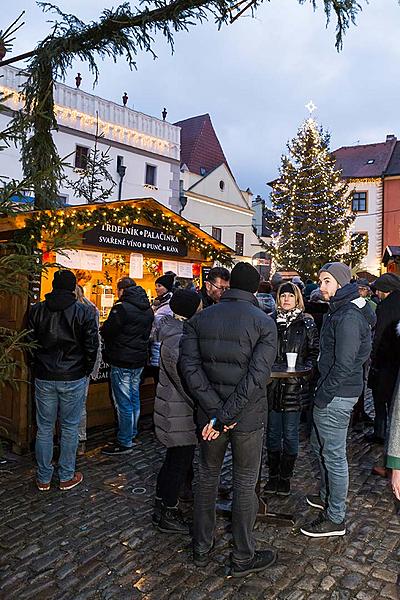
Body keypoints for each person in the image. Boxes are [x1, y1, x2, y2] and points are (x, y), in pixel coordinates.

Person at [180, 262, 278, 577]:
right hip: (243, 418)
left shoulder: (199, 320)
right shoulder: (264, 323)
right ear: (254, 289)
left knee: (207, 478)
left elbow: (190, 371)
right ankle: (242, 556)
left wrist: (216, 414)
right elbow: (257, 378)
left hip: (213, 418)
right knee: (244, 483)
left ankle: (201, 547)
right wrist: (226, 415)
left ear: (229, 285)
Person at [300, 262, 376, 538]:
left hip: (337, 394)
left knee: (333, 456)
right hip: (337, 391)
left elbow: (345, 364)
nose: (321, 287)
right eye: (320, 281)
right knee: (320, 446)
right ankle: (327, 496)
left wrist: (324, 394)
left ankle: (335, 517)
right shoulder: (343, 310)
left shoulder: (348, 316)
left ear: (342, 283)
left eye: (327, 281)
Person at [28, 270, 99, 491]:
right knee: (69, 427)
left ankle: (43, 477)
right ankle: (66, 475)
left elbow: (29, 344)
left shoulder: (36, 310)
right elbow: (91, 346)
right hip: (73, 375)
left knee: (45, 427)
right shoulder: (84, 311)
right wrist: (85, 369)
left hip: (45, 375)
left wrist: (36, 367)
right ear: (72, 287)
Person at [153, 289, 202, 534]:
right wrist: (201, 402)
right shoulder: (178, 340)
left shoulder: (172, 331)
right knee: (179, 463)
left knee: (174, 460)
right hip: (178, 411)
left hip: (173, 409)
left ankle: (162, 503)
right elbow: (186, 382)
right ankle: (168, 511)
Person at [265, 282, 319, 496]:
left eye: (290, 295)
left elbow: (314, 353)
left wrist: (305, 371)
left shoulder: (306, 323)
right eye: (282, 295)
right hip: (272, 387)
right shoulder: (269, 321)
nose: (286, 299)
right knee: (272, 434)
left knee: (290, 434)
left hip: (295, 388)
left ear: (297, 298)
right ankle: (273, 476)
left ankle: (285, 477)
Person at [101, 277, 154, 455]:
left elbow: (108, 330)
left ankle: (124, 440)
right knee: (133, 397)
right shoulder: (147, 309)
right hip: (139, 359)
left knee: (123, 402)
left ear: (122, 290)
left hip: (122, 359)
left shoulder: (121, 308)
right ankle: (131, 433)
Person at [367, 273, 400, 449]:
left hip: (385, 359)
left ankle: (380, 432)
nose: (376, 293)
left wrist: (373, 355)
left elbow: (379, 335)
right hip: (397, 361)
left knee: (380, 398)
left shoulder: (385, 307)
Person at [75, 284, 102, 455]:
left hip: (64, 368)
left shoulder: (82, 310)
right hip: (82, 366)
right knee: (79, 405)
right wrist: (92, 366)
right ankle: (80, 439)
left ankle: (70, 440)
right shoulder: (91, 309)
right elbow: (94, 343)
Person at [149, 272, 175, 378]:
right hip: (156, 345)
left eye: (159, 286)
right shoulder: (159, 303)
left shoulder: (170, 305)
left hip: (162, 346)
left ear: (167, 288)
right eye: (156, 286)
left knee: (160, 378)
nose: (156, 288)